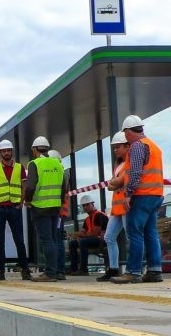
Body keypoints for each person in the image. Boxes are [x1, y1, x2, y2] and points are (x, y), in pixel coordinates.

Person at [111, 115, 165, 284]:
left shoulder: (136, 146)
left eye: (125, 133)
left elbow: (135, 172)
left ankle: (133, 271)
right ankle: (155, 271)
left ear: (128, 131)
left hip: (142, 195)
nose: (125, 136)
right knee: (151, 233)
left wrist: (128, 194)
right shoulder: (154, 146)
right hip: (156, 195)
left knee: (135, 233)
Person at [0, 140, 32, 281]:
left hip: (14, 208)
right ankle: (0, 271)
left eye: (8, 150)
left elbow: (24, 187)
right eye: (4, 151)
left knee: (19, 239)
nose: (6, 153)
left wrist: (21, 203)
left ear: (12, 152)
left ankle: (25, 270)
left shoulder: (20, 167)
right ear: (0, 153)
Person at [24, 136, 66, 282]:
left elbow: (30, 186)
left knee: (47, 240)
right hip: (55, 207)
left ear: (35, 149)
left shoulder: (35, 163)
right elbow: (63, 187)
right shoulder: (58, 164)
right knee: (53, 239)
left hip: (40, 207)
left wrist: (27, 200)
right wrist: (59, 203)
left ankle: (50, 273)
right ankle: (54, 271)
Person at [98, 131, 129, 281]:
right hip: (117, 208)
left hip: (126, 206)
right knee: (109, 237)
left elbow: (114, 183)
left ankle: (134, 269)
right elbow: (112, 183)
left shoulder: (129, 162)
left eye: (118, 147)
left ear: (126, 146)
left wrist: (115, 183)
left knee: (132, 237)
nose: (115, 150)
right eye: (114, 148)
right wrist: (115, 183)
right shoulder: (118, 164)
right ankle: (114, 269)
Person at [67, 195, 108, 275]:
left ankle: (83, 269)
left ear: (92, 204)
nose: (85, 207)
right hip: (92, 239)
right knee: (72, 243)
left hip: (103, 240)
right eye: (83, 206)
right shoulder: (87, 219)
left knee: (83, 242)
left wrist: (81, 236)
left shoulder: (98, 215)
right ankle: (73, 269)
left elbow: (95, 233)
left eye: (87, 205)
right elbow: (83, 232)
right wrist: (78, 236)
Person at [48, 150, 71, 280]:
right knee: (57, 240)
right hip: (59, 211)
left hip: (57, 211)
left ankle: (59, 269)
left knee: (56, 240)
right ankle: (59, 269)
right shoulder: (62, 171)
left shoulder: (59, 172)